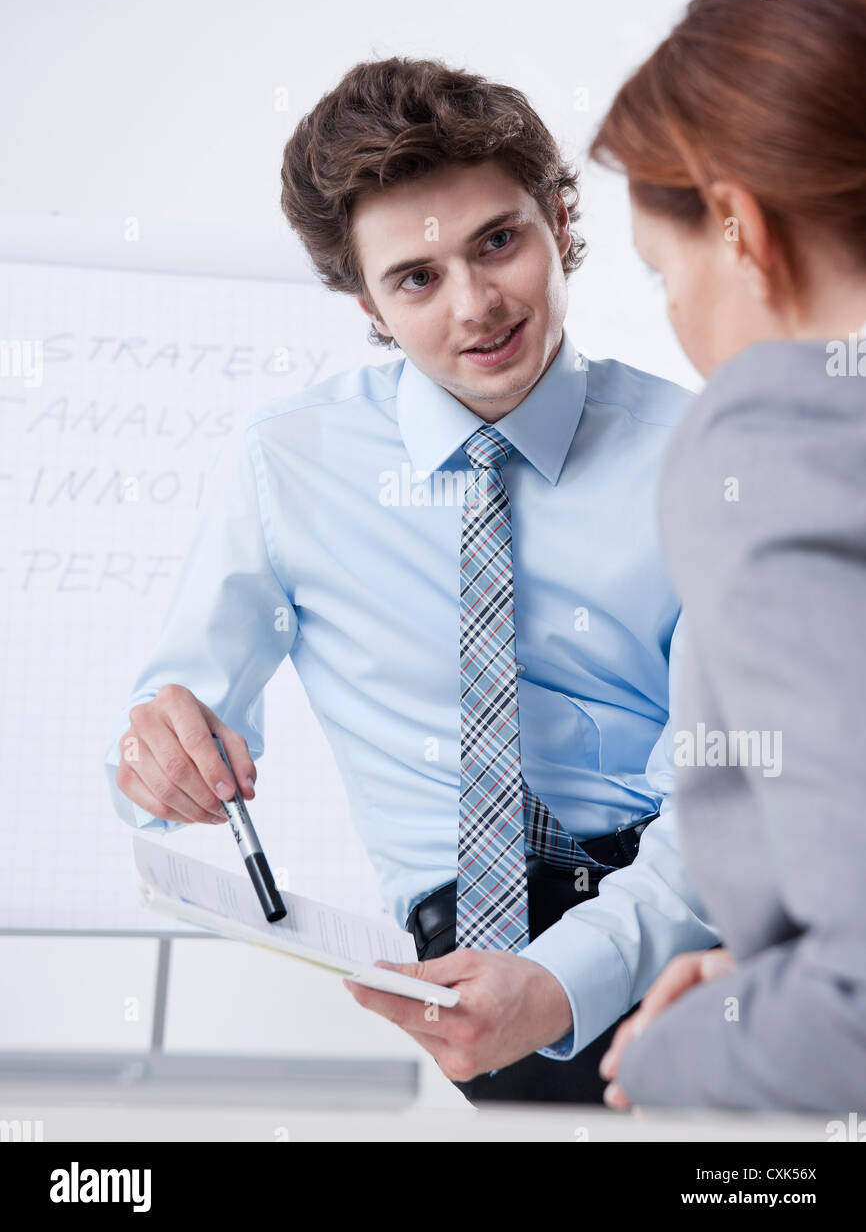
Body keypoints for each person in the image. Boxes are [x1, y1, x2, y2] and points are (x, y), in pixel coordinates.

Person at [105, 56, 717, 1104]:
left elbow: (733, 797)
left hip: (686, 925)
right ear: (364, 304)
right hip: (456, 963)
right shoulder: (288, 464)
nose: (476, 305)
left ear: (560, 222)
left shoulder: (700, 456)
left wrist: (564, 980)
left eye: (498, 241)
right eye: (416, 278)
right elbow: (176, 717)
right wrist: (158, 756)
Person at [584, 0, 866, 1111]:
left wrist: (672, 1060)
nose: (673, 321)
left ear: (740, 227)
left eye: (661, 274)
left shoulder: (767, 441)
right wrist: (767, 989)